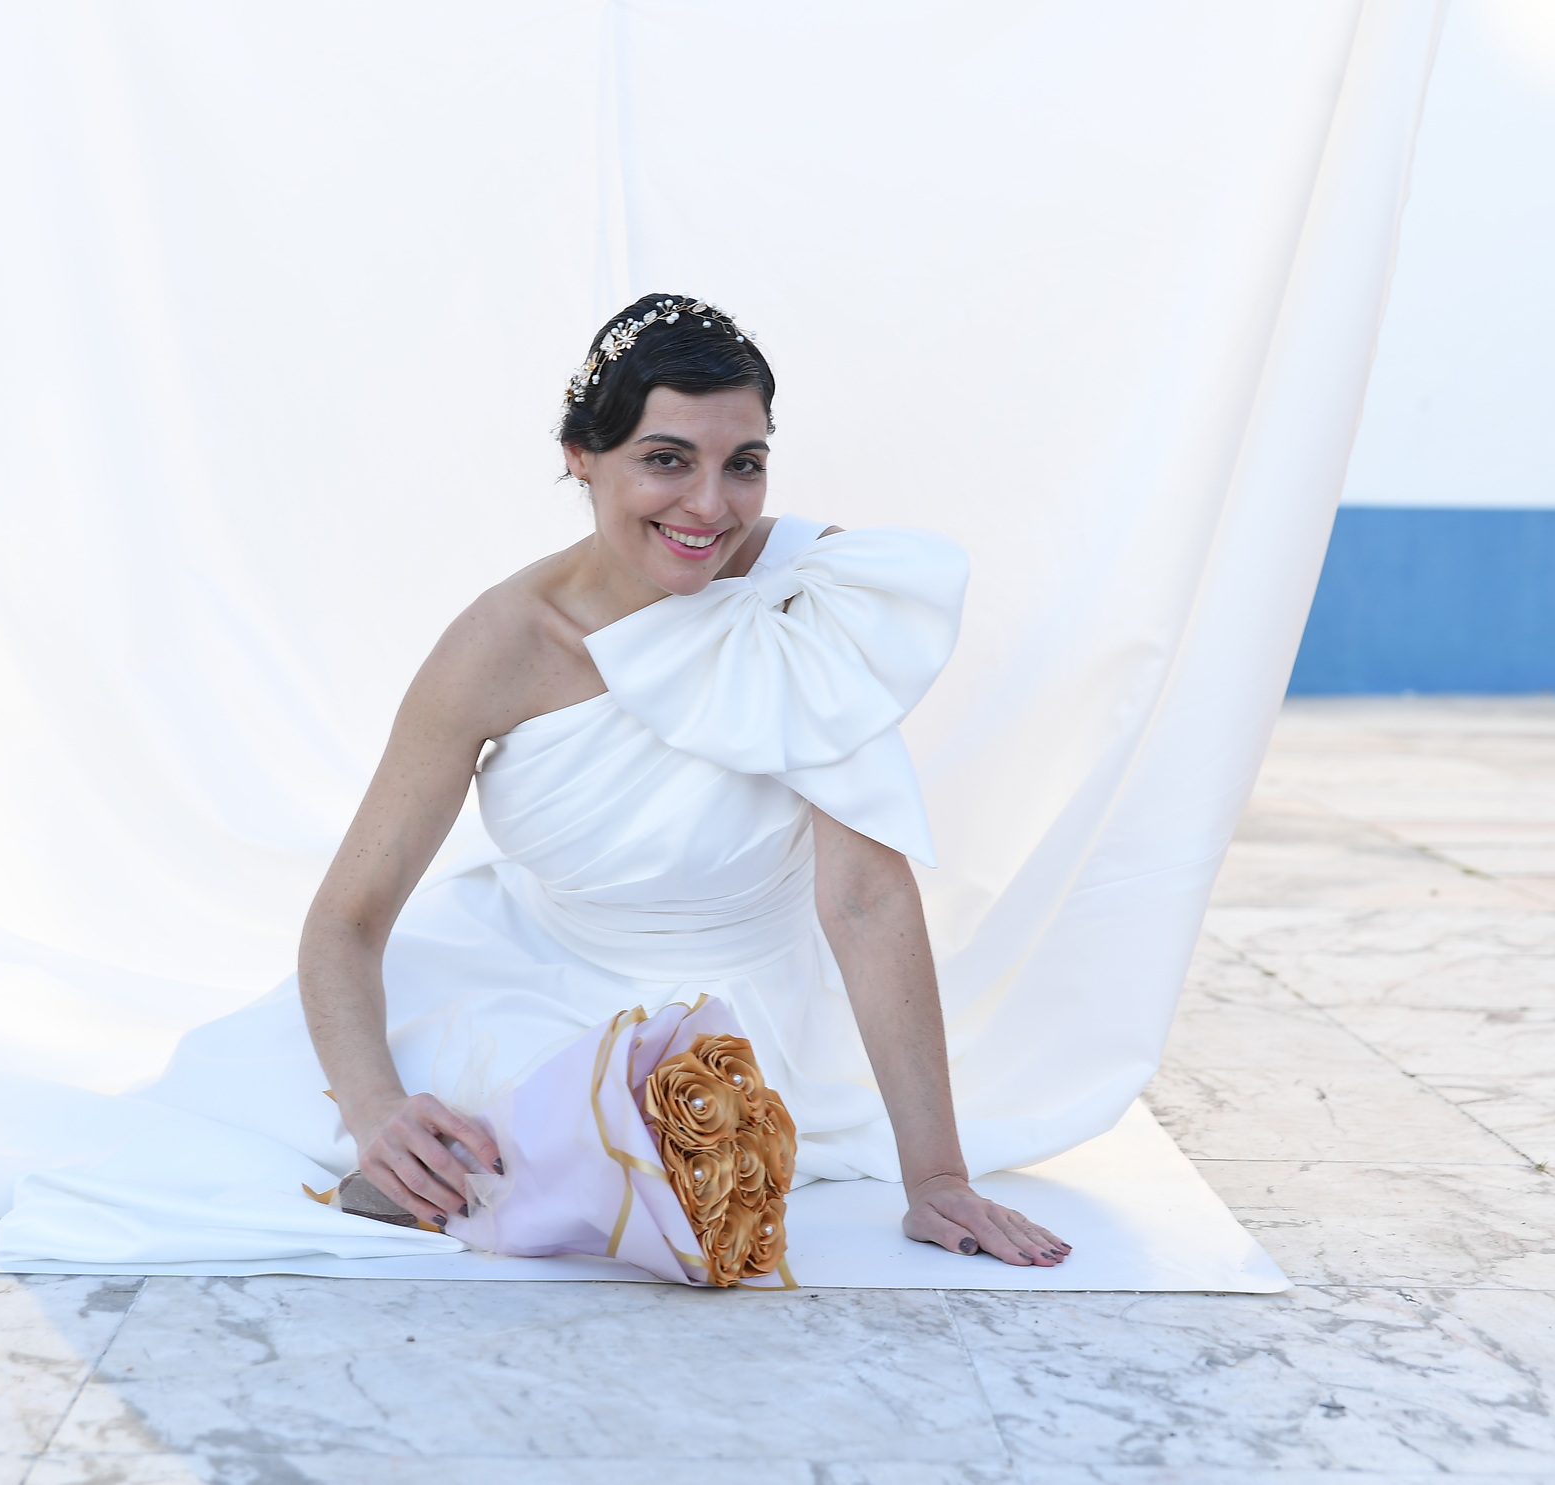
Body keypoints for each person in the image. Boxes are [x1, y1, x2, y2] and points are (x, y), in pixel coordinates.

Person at [296, 294, 1066, 1266]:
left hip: (753, 1011)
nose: (710, 506)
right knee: (431, 1148)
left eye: (742, 463)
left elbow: (864, 898)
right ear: (582, 456)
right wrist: (373, 1106)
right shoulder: (499, 645)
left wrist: (938, 1180)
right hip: (532, 979)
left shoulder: (806, 594)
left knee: (673, 1169)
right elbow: (346, 919)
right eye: (666, 460)